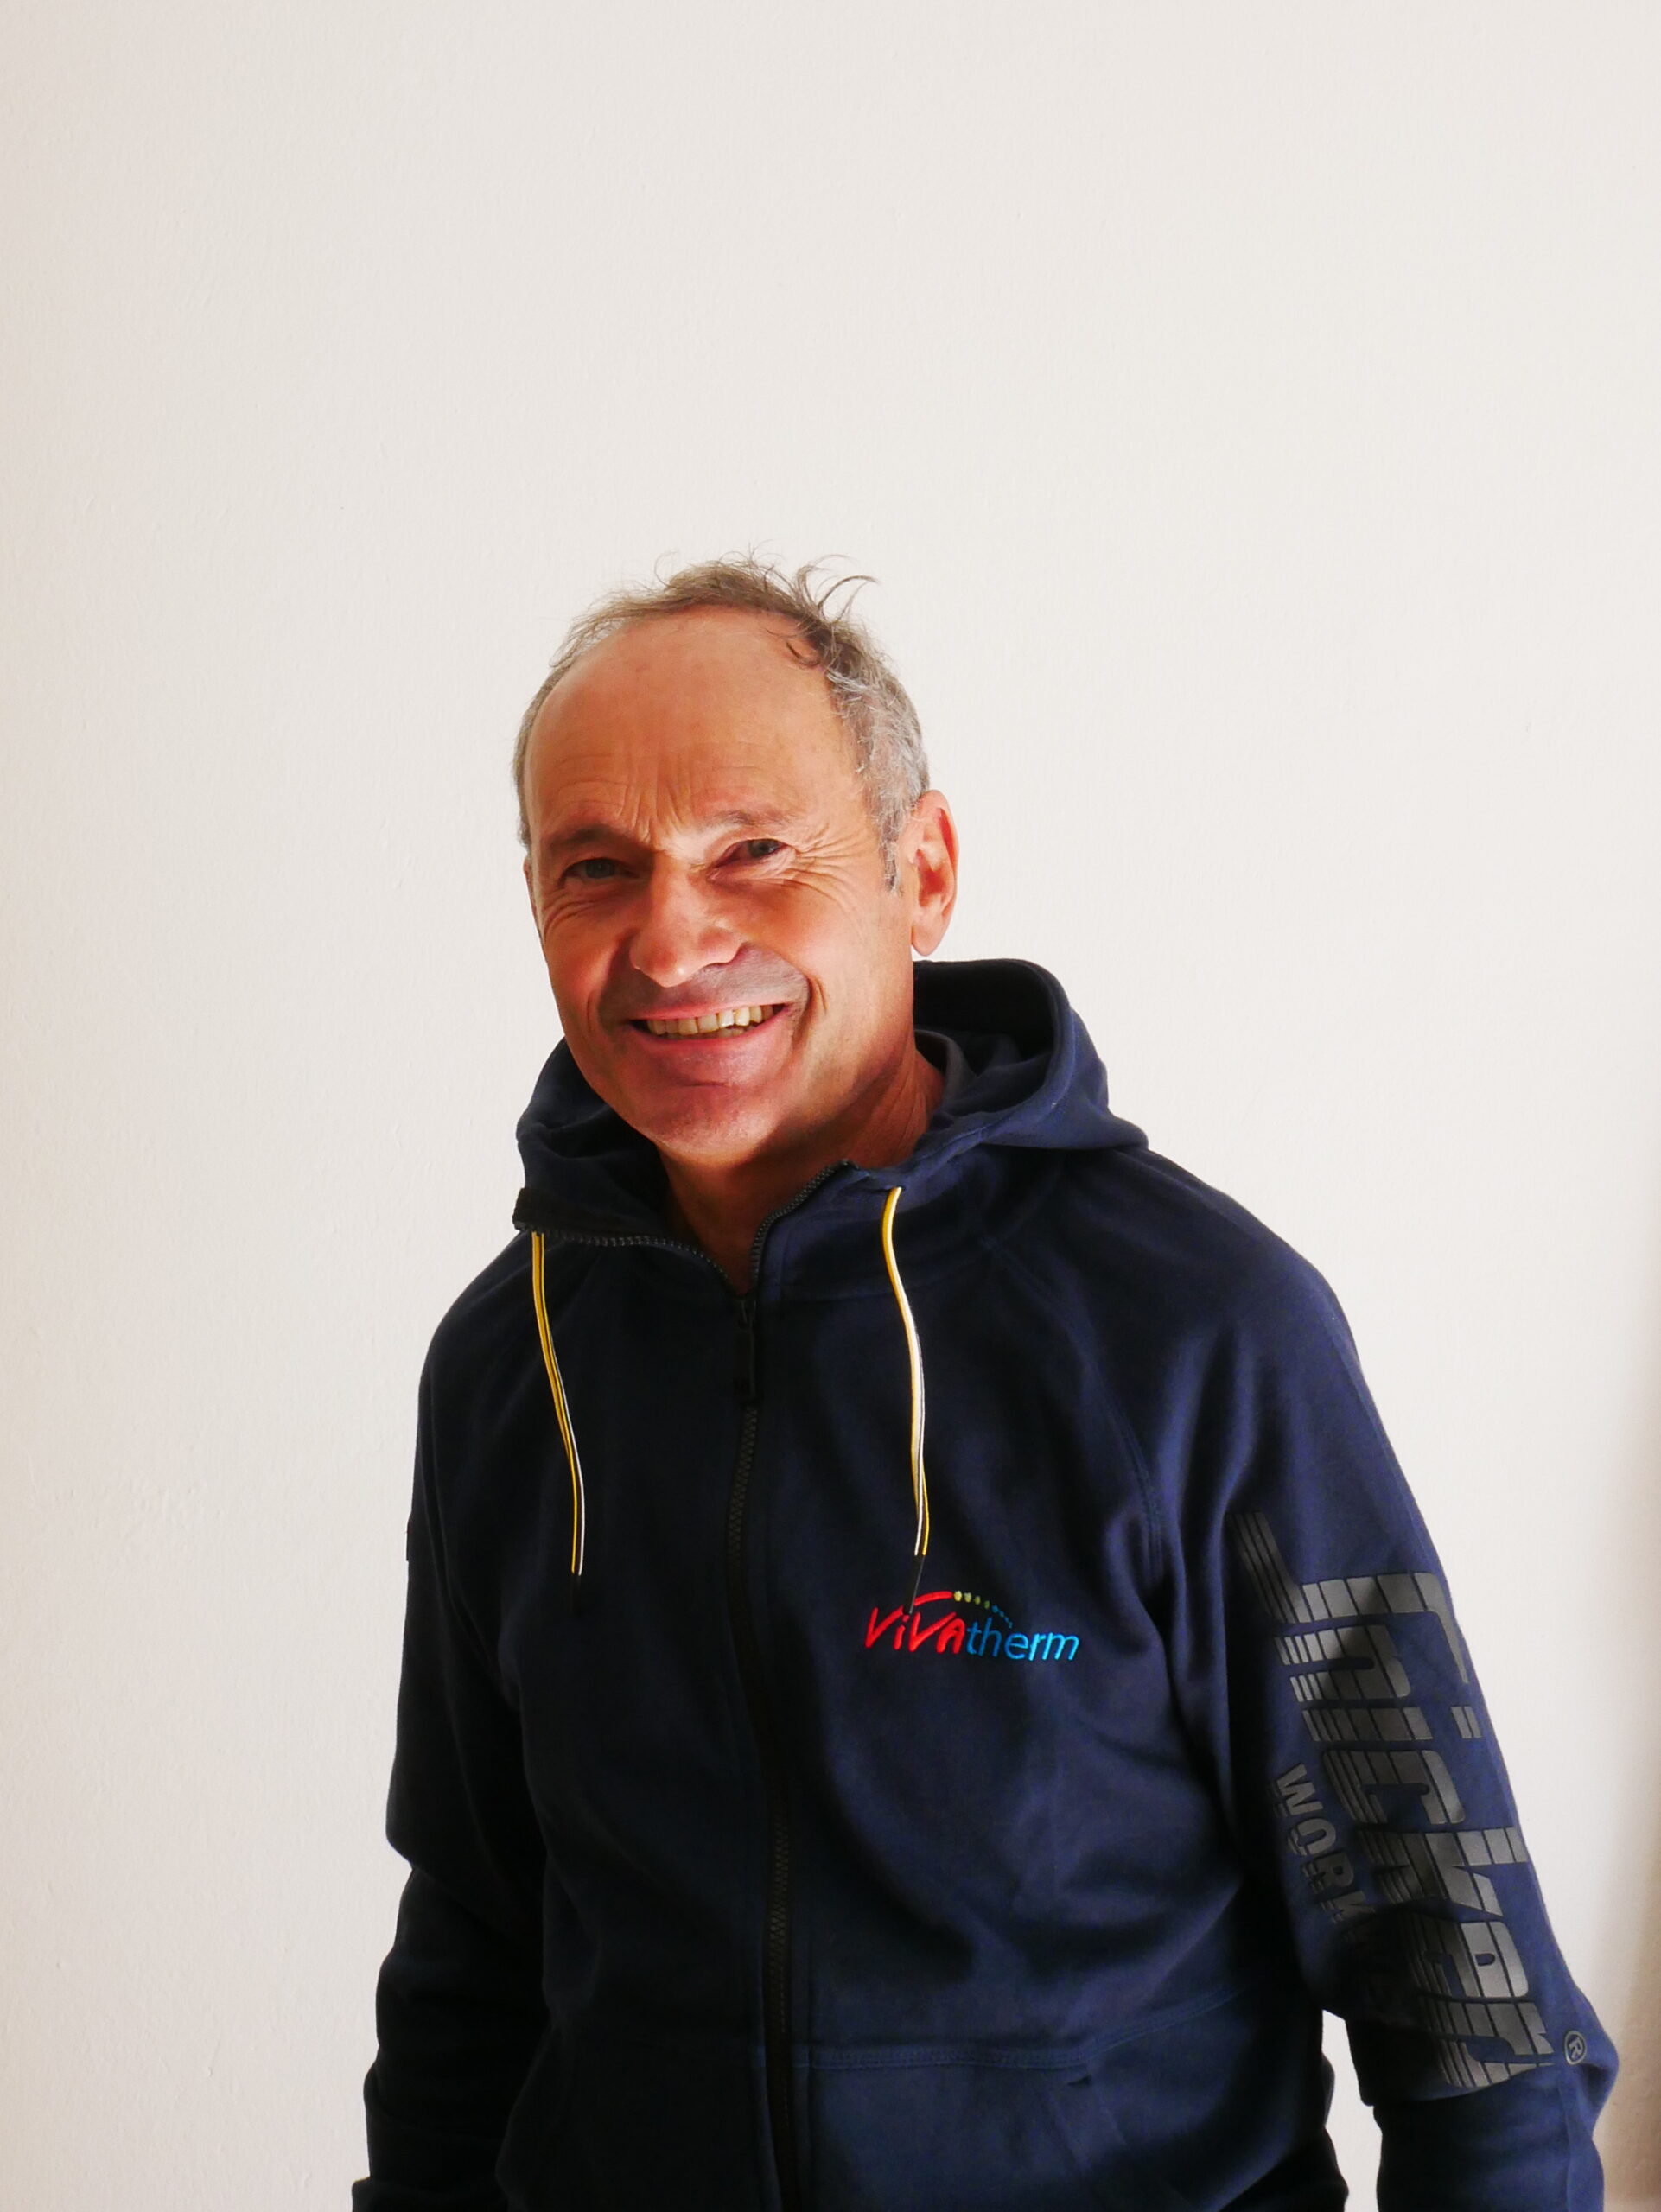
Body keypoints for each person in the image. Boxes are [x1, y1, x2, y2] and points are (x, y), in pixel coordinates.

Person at [353, 559, 1613, 2211]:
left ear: (922, 872)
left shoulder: (1195, 1330)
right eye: (597, 868)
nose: (671, 937)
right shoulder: (508, 1360)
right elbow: (469, 1951)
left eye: (751, 851)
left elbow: (1465, 1998)